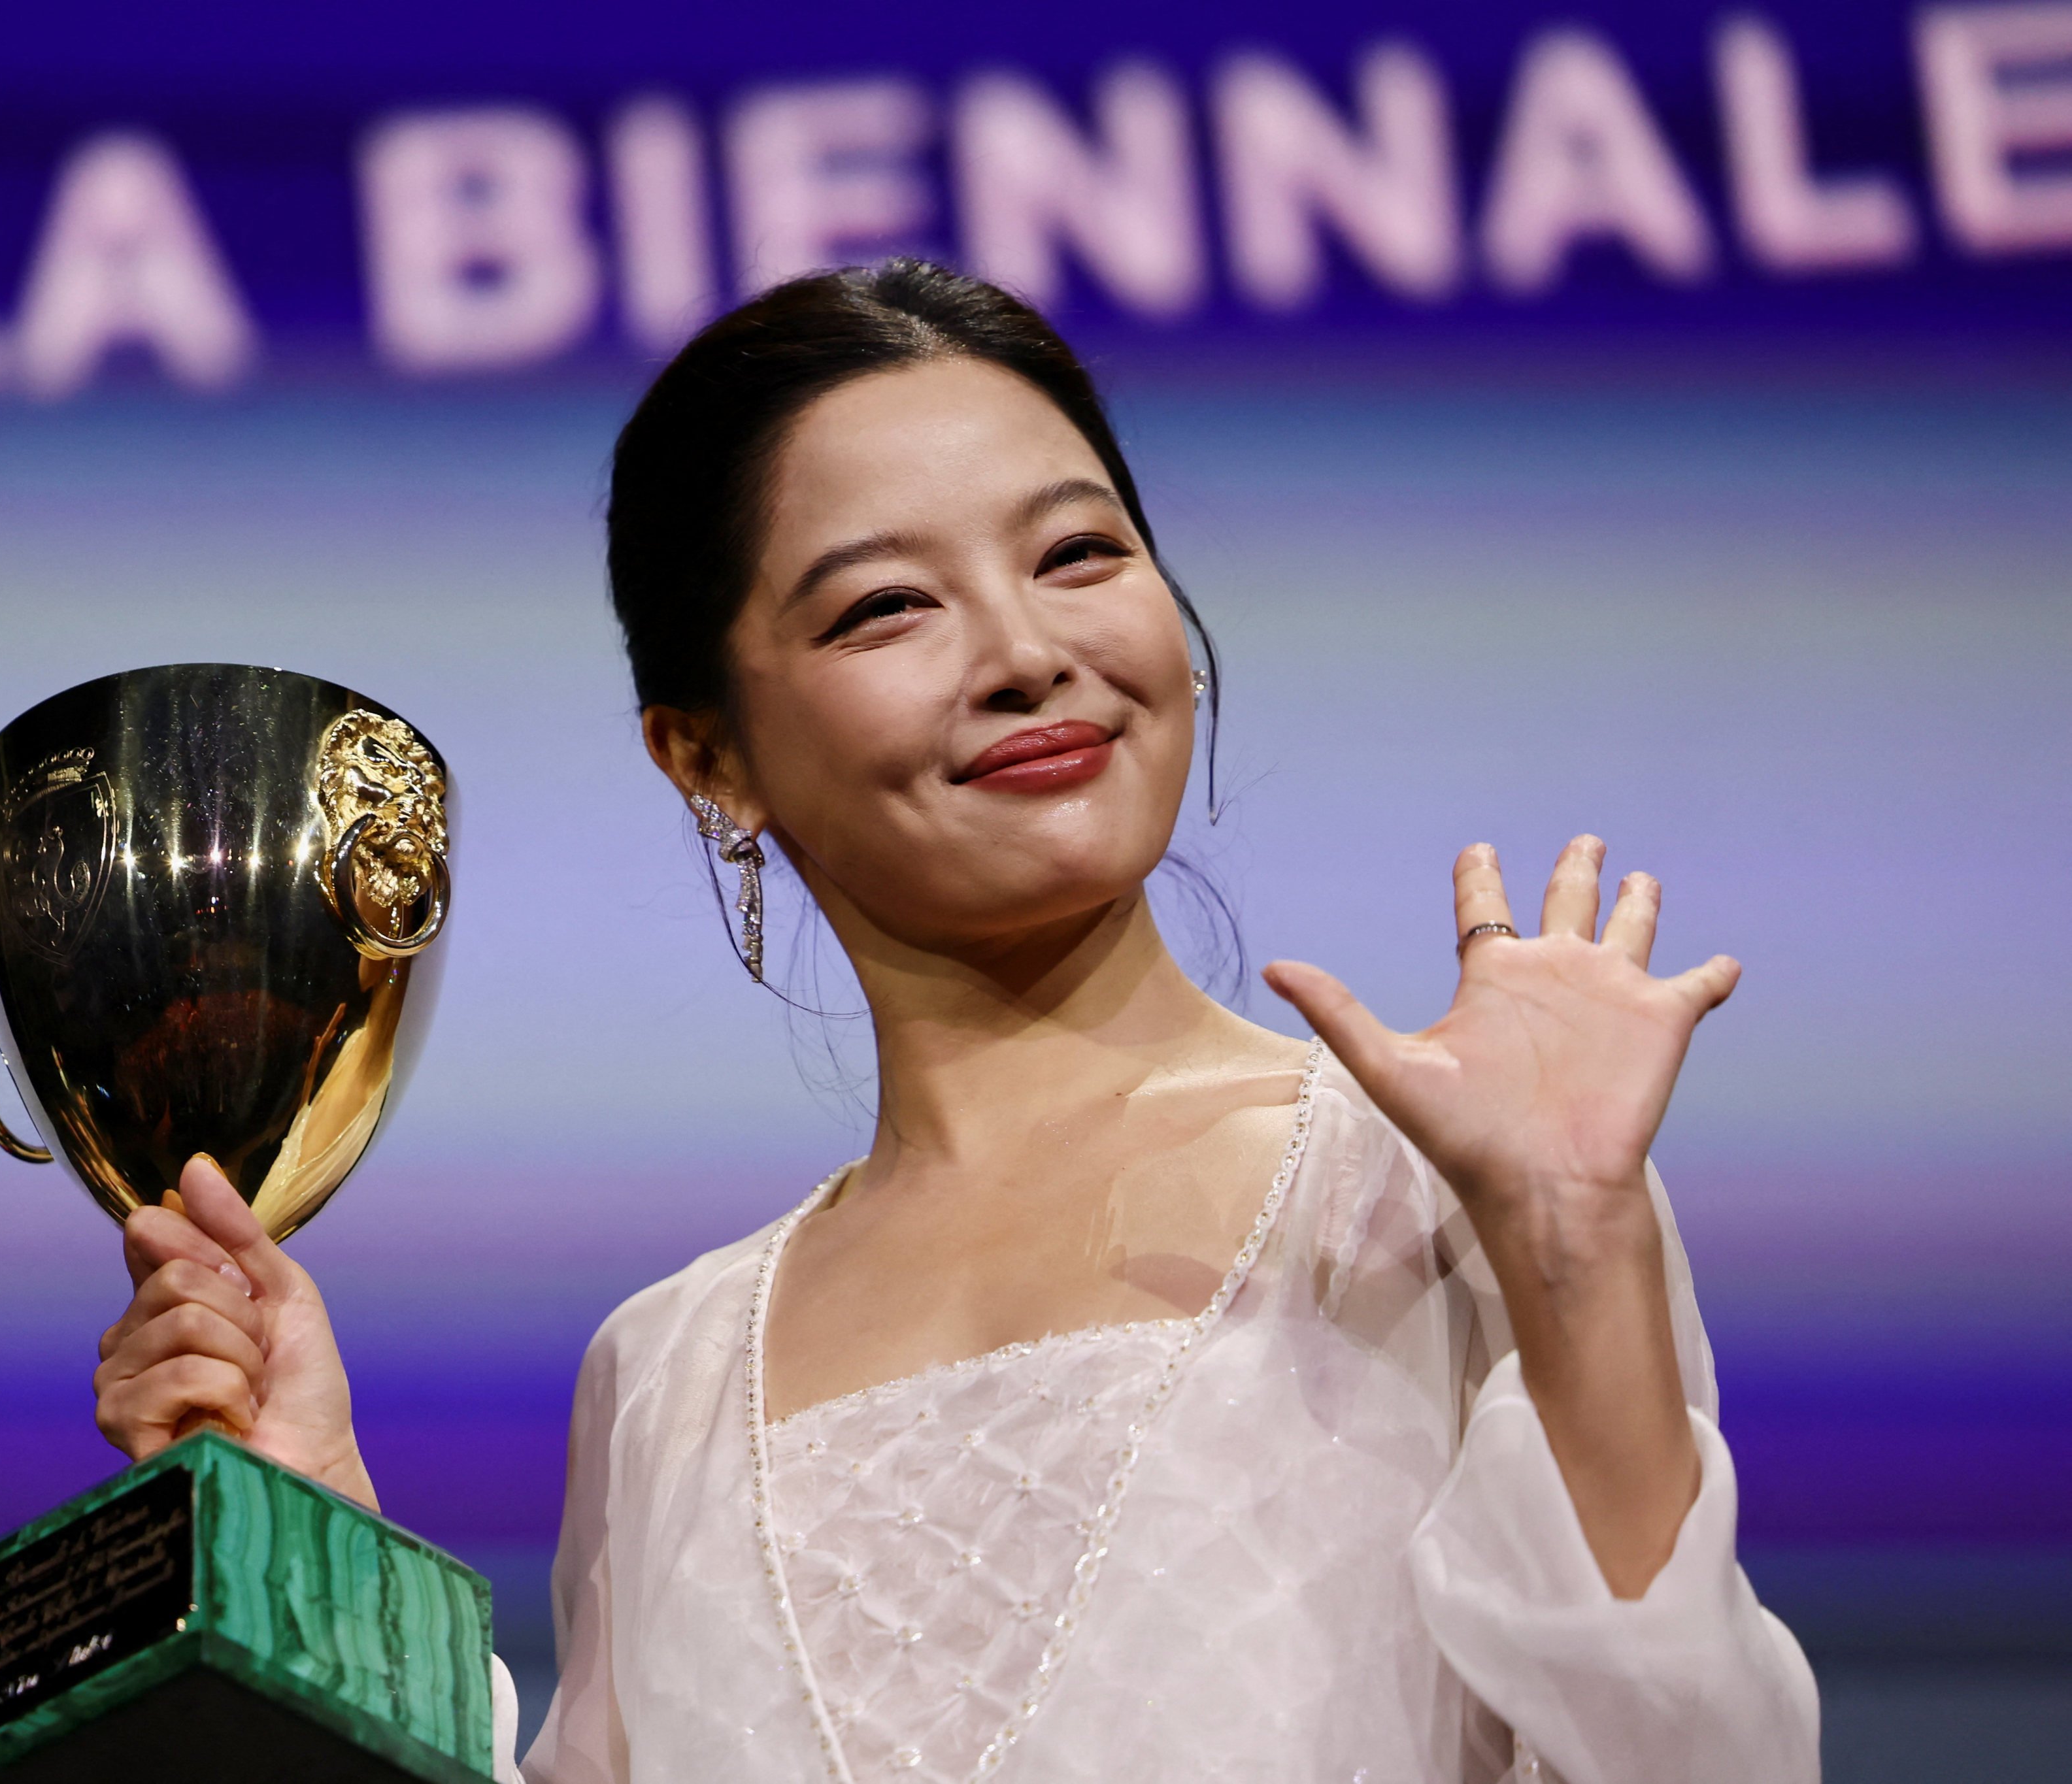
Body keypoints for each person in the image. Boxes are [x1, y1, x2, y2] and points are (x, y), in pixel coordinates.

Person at [90, 260, 1820, 1783]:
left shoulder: (1443, 1187)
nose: (1025, 653)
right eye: (886, 606)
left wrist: (1572, 1246)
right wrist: (320, 1541)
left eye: (1081, 553)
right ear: (707, 755)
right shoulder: (665, 1375)